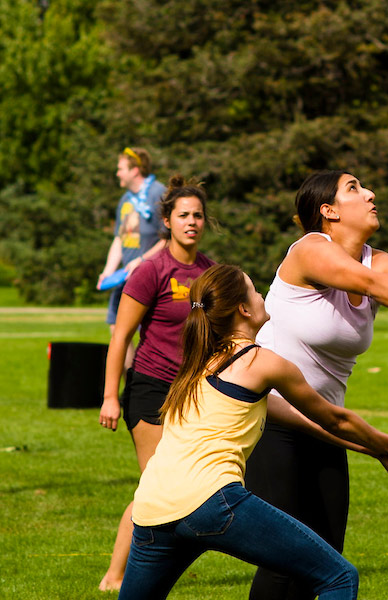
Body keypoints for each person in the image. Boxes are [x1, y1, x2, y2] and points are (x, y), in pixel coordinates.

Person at [117, 264, 388, 600]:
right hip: (212, 501)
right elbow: (334, 418)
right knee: (338, 578)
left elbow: (307, 422)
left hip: (151, 509)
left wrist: (380, 452)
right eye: (255, 290)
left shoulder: (197, 365)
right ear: (243, 309)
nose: (261, 295)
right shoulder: (260, 362)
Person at [247, 170, 388, 600]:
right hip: (272, 420)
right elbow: (369, 285)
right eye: (353, 188)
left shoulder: (383, 262)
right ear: (328, 212)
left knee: (328, 561)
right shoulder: (310, 250)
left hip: (329, 425)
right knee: (282, 564)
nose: (370, 193)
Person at [97, 175, 217, 591]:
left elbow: (210, 333)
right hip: (149, 387)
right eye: (183, 215)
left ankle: (153, 570)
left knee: (184, 485)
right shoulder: (152, 271)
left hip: (190, 394)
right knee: (156, 485)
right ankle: (115, 576)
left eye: (198, 215)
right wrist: (111, 396)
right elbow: (121, 337)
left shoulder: (208, 273)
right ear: (167, 220)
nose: (192, 222)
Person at [98, 147, 168, 344]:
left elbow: (169, 239)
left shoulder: (159, 193)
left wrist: (142, 260)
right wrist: (108, 271)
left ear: (135, 170)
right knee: (117, 334)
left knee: (149, 339)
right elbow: (120, 239)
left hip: (153, 277)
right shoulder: (126, 199)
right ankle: (128, 376)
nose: (117, 173)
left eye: (121, 168)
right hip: (125, 278)